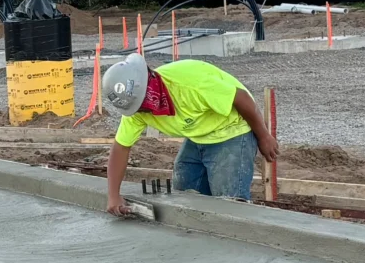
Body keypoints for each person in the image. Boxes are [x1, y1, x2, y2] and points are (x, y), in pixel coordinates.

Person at [98, 52, 279, 217]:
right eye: (138, 107)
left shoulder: (190, 85)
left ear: (148, 79)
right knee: (185, 188)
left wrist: (263, 136)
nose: (144, 110)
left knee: (229, 206)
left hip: (231, 130)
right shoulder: (137, 111)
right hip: (198, 134)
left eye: (143, 102)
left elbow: (241, 98)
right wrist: (113, 196)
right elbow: (121, 147)